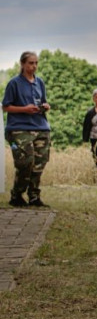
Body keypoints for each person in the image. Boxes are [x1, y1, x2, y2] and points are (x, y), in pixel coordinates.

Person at [3, 51, 52, 207]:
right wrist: (24, 109)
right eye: (31, 63)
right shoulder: (14, 83)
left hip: (41, 127)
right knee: (25, 162)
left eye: (36, 63)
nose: (34, 66)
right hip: (19, 128)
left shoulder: (40, 83)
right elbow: (5, 107)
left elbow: (42, 101)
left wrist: (45, 106)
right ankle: (16, 195)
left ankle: (34, 196)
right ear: (23, 64)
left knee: (39, 163)